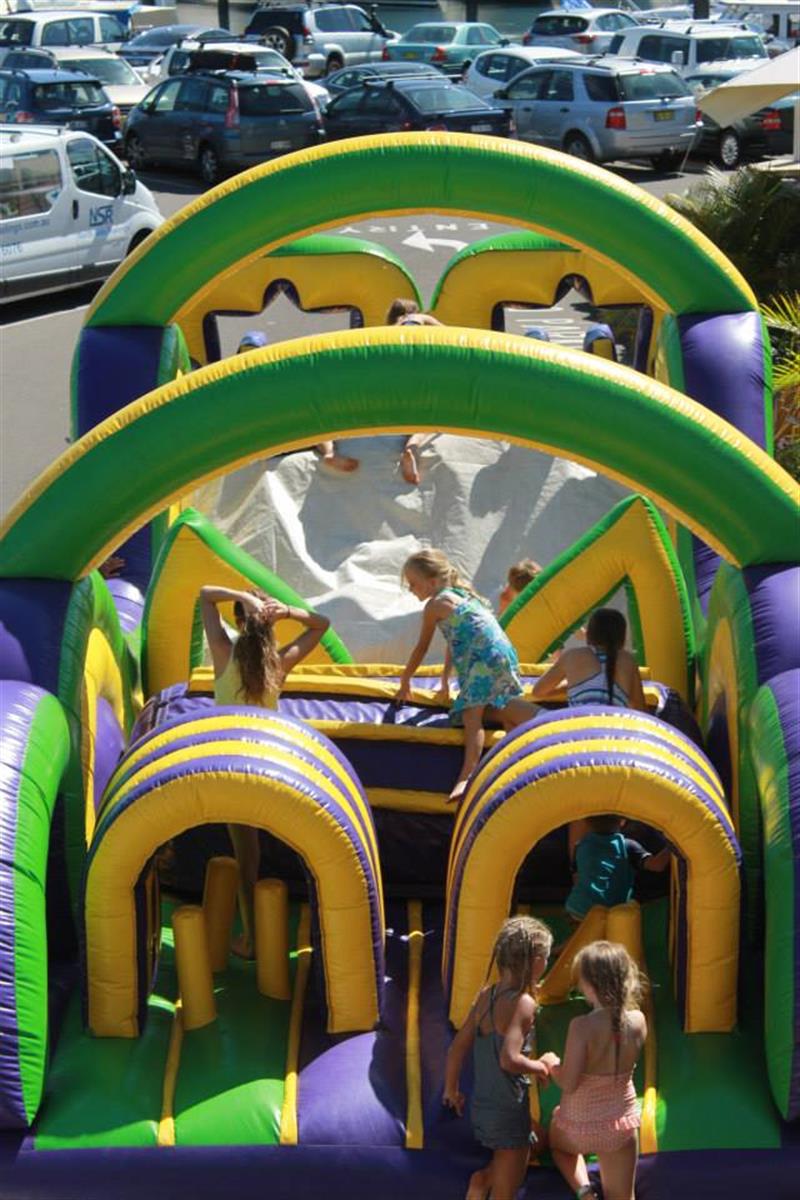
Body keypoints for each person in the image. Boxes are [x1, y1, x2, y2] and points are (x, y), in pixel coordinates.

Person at [199, 584, 330, 956]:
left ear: (238, 620)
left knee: (247, 859)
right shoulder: (277, 662)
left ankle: (253, 939)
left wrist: (249, 601)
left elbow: (206, 594)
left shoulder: (224, 653)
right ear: (270, 626)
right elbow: (322, 625)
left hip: (233, 765)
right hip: (271, 764)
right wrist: (287, 610)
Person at [396, 549, 538, 802]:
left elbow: (422, 647)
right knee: (498, 707)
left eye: (413, 584)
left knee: (472, 716)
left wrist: (405, 679)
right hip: (502, 653)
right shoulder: (463, 595)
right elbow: (457, 640)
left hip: (483, 659)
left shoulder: (435, 605)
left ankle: (467, 777)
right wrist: (444, 680)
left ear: (432, 582)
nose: (410, 589)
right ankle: (543, 722)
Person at [443, 916, 555, 1200]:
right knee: (507, 1191)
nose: (547, 965)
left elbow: (457, 1047)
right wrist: (539, 1066)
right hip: (507, 1112)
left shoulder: (486, 996)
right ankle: (485, 1185)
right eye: (545, 958)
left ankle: (483, 1180)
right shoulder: (523, 1003)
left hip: (483, 1108)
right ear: (534, 961)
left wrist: (451, 1091)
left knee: (538, 1140)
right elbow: (509, 1059)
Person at [542, 940, 647, 1200]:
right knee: (623, 1196)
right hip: (619, 1126)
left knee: (557, 1147)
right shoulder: (638, 1021)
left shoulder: (582, 1026)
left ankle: (585, 1192)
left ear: (590, 985)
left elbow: (569, 1083)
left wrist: (551, 1062)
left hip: (578, 1127)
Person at [236, 330, 358, 474]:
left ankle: (328, 452)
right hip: (272, 436)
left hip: (272, 436)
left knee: (311, 421)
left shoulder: (255, 380)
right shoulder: (256, 380)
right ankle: (328, 452)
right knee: (312, 422)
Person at [532, 608, 646, 711]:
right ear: (622, 637)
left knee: (518, 708)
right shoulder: (628, 660)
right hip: (613, 727)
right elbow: (639, 708)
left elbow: (538, 691)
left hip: (580, 726)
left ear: (590, 634)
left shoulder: (572, 656)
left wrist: (570, 686)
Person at [566, 815, 671, 923]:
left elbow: (576, 877)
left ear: (586, 822)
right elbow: (657, 865)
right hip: (611, 912)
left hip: (578, 909)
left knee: (584, 939)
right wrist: (672, 846)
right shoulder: (627, 846)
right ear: (622, 821)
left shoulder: (580, 845)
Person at [386, 300, 443, 485]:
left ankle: (407, 439)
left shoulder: (389, 330)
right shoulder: (420, 318)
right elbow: (451, 335)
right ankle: (412, 446)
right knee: (436, 415)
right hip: (420, 368)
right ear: (413, 311)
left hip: (396, 377)